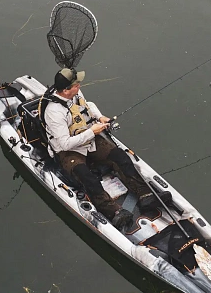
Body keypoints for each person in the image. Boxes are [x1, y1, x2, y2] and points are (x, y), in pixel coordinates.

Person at [42, 68, 171, 231]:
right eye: (76, 84)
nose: (79, 85)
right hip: (68, 151)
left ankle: (146, 195)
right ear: (66, 90)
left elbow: (88, 106)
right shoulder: (53, 112)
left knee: (119, 156)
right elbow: (65, 144)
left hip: (88, 139)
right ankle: (113, 211)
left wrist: (100, 117)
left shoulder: (75, 94)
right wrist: (92, 131)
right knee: (86, 176)